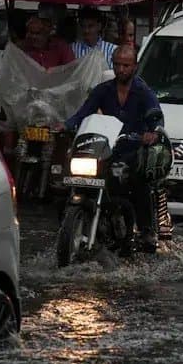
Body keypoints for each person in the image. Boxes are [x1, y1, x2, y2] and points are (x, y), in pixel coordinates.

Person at [64, 45, 163, 252]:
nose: (121, 69)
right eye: (117, 64)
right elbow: (83, 113)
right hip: (106, 148)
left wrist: (152, 132)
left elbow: (155, 115)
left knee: (139, 181)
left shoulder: (143, 92)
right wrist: (65, 125)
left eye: (126, 65)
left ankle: (146, 230)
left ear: (134, 66)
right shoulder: (103, 90)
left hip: (133, 148)